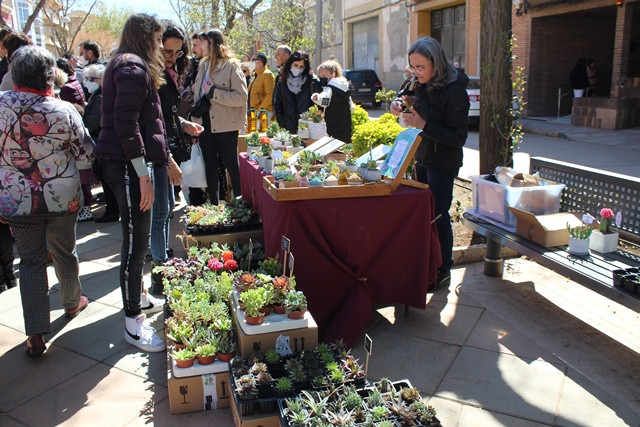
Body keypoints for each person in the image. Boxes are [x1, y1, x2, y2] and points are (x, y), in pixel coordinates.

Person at [0, 45, 95, 355]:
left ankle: (36, 333)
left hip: (17, 198)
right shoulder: (62, 109)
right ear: (49, 76)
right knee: (64, 251)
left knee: (29, 261)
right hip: (61, 199)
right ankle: (71, 304)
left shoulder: (1, 106)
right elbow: (86, 154)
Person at [95, 13, 169, 353]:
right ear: (144, 37)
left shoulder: (129, 64)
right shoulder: (132, 67)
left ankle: (137, 298)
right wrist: (143, 175)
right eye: (156, 38)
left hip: (128, 164)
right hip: (127, 166)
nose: (159, 45)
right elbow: (127, 125)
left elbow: (137, 118)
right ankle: (133, 323)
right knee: (136, 241)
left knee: (135, 238)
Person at [390, 37, 469, 290]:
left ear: (436, 63)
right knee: (425, 214)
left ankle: (443, 268)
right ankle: (428, 265)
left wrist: (423, 125)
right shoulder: (420, 82)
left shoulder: (455, 90)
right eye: (412, 67)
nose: (416, 72)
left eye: (421, 67)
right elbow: (405, 95)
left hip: (443, 162)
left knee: (438, 215)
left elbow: (458, 138)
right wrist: (398, 103)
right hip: (422, 156)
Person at [152, 24, 203, 295]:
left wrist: (184, 125)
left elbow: (167, 116)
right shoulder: (150, 75)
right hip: (158, 150)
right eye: (166, 51)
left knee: (167, 206)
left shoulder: (171, 72)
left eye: (176, 52)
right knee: (160, 210)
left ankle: (162, 260)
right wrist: (169, 158)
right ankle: (159, 268)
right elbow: (153, 121)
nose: (171, 56)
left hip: (167, 143)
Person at [191, 29, 247, 205]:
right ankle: (214, 206)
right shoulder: (203, 65)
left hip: (226, 125)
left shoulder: (231, 66)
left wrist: (214, 92)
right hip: (204, 124)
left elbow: (241, 97)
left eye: (202, 41)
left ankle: (240, 205)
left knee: (232, 166)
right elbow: (198, 97)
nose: (199, 46)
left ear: (212, 43)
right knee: (210, 166)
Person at [82, 63, 119, 223]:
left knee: (108, 179)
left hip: (103, 142)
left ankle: (113, 211)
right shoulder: (99, 94)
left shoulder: (102, 96)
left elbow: (93, 123)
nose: (88, 82)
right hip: (103, 142)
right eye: (87, 78)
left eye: (92, 78)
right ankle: (112, 209)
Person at [273, 51, 320, 134]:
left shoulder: (312, 82)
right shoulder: (282, 81)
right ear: (290, 64)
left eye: (301, 66)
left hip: (307, 128)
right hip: (287, 127)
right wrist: (281, 121)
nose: (298, 68)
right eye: (295, 65)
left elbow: (317, 106)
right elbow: (277, 103)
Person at [311, 60, 354, 143]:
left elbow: (325, 99)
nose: (322, 78)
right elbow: (351, 106)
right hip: (346, 122)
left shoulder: (330, 87)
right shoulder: (345, 85)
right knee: (345, 146)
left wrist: (316, 97)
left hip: (333, 123)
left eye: (324, 76)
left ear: (333, 74)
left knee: (334, 148)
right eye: (320, 76)